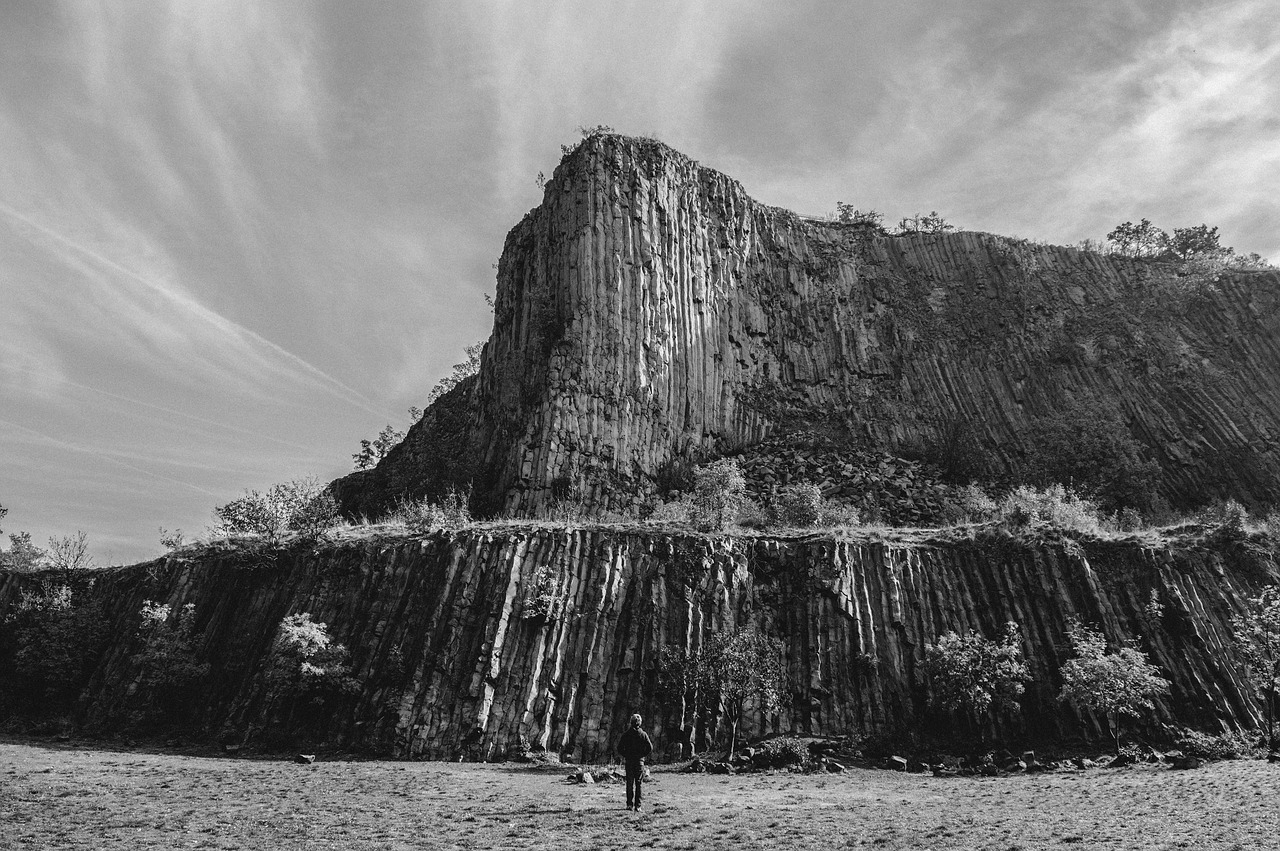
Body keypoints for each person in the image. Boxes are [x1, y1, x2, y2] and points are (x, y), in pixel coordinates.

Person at [617, 713, 653, 811]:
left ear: (631, 722)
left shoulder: (626, 734)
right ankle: (638, 805)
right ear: (640, 723)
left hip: (629, 761)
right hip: (639, 762)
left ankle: (629, 804)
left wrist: (626, 755)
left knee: (629, 783)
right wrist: (642, 755)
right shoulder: (643, 734)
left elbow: (619, 748)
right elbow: (650, 747)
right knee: (639, 784)